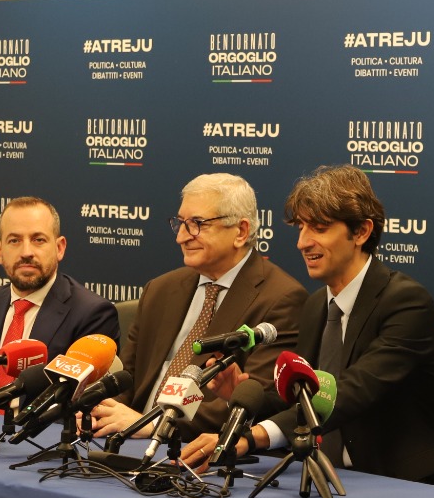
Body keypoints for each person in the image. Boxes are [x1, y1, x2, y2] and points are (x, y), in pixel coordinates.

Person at [187, 165, 434, 484]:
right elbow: (300, 395)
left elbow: (350, 392)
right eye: (301, 228)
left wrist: (250, 438)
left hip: (398, 482)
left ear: (361, 232)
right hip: (317, 475)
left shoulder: (407, 302)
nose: (302, 242)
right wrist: (239, 396)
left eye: (319, 229)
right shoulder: (315, 306)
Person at [87, 174, 305, 440]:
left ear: (240, 231)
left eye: (197, 224)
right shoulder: (160, 289)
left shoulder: (281, 299)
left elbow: (255, 402)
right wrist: (99, 412)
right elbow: (127, 377)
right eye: (180, 223)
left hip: (193, 447)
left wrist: (155, 425)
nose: (181, 237)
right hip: (127, 439)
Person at [0, 196, 119, 403]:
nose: (26, 252)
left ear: (60, 248)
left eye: (38, 240)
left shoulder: (92, 313)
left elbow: (84, 407)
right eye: (14, 241)